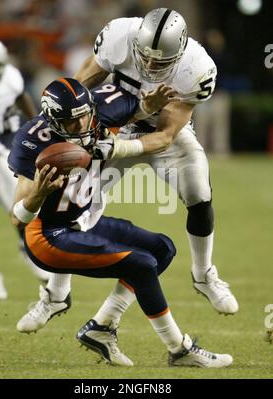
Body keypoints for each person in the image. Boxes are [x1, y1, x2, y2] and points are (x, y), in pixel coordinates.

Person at [9, 77, 232, 368]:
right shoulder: (32, 142)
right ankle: (179, 350)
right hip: (48, 236)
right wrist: (38, 195)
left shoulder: (100, 111)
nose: (83, 126)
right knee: (140, 263)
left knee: (161, 248)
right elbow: (17, 218)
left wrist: (145, 107)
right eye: (72, 123)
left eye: (85, 117)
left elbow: (134, 110)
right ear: (54, 122)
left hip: (82, 221)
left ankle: (102, 327)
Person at [73, 8, 239, 318]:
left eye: (159, 61)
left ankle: (203, 275)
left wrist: (114, 149)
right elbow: (81, 87)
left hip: (164, 136)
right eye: (144, 56)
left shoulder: (197, 68)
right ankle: (54, 295)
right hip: (118, 127)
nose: (149, 65)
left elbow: (164, 136)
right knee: (79, 203)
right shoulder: (118, 36)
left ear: (178, 54)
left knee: (199, 194)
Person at [0, 36, 49, 299]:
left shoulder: (11, 79)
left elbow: (23, 100)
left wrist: (39, 129)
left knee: (22, 205)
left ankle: (26, 249)